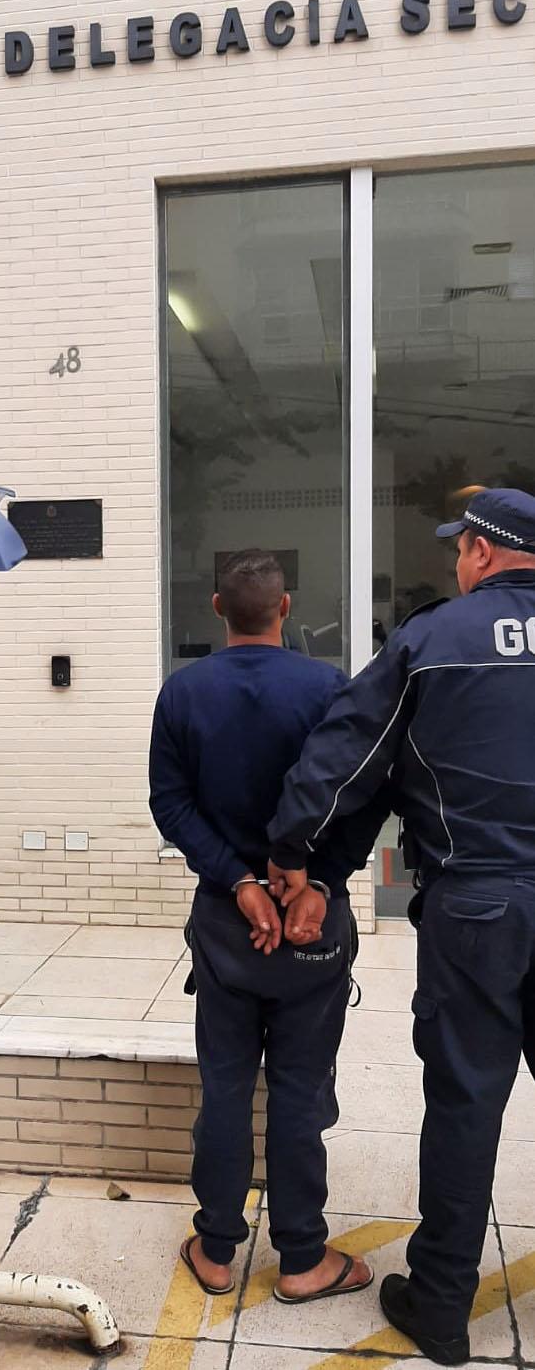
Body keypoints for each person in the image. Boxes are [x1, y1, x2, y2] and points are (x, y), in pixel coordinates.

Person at [266, 488, 535, 1365]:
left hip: (478, 908)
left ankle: (443, 1305)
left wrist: (296, 850)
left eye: (461, 547)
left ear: (484, 552)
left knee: (466, 1105)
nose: (456, 561)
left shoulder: (434, 640)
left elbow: (346, 753)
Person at [149, 550, 383, 1305]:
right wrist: (319, 881)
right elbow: (363, 795)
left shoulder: (183, 692)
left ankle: (216, 1248)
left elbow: (170, 803)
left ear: (219, 608)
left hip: (228, 927)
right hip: (312, 927)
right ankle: (302, 1257)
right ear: (285, 609)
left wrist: (239, 881)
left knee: (224, 1088)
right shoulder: (329, 688)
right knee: (298, 1093)